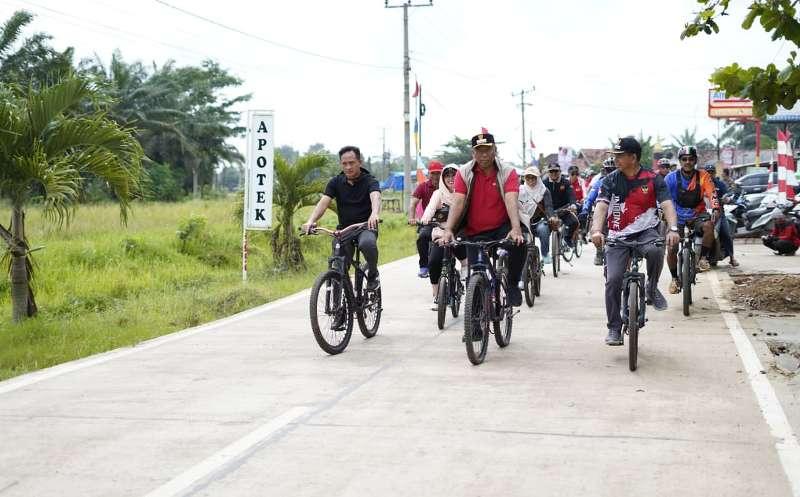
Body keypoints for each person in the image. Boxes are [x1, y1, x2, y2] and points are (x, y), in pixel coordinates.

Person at [591, 136, 680, 346]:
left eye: (620, 156)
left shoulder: (653, 178)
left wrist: (673, 228)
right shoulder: (610, 180)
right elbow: (601, 206)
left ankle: (651, 287)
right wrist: (596, 230)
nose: (617, 159)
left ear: (633, 157)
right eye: (615, 156)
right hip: (617, 236)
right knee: (613, 280)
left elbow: (667, 205)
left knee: (657, 249)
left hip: (645, 232)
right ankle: (614, 328)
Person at [438, 132, 526, 307]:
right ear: (473, 153)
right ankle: (475, 330)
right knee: (475, 278)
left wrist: (515, 228)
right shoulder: (463, 173)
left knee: (519, 244)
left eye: (487, 150)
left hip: (502, 227)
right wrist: (448, 229)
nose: (483, 154)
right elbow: (458, 201)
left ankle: (513, 285)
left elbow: (511, 199)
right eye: (479, 151)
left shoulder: (508, 172)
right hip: (474, 231)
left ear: (494, 150)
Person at [302, 145, 381, 291]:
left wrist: (374, 214)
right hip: (344, 230)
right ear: (341, 164)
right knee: (339, 266)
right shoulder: (336, 182)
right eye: (344, 164)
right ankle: (343, 305)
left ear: (359, 162)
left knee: (367, 244)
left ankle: (373, 274)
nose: (348, 167)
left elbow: (375, 197)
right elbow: (323, 203)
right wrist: (310, 220)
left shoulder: (370, 180)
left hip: (365, 227)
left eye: (352, 163)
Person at [664, 145, 721, 293]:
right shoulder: (670, 178)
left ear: (695, 160)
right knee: (671, 247)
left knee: (709, 226)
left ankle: (702, 259)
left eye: (691, 159)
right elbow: (662, 197)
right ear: (680, 161)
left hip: (698, 214)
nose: (687, 162)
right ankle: (675, 279)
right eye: (684, 159)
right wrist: (660, 210)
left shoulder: (703, 176)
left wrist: (715, 207)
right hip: (676, 216)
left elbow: (711, 192)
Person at [420, 164, 468, 309]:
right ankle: (436, 295)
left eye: (454, 175)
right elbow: (430, 209)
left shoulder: (464, 192)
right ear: (443, 178)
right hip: (441, 233)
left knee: (464, 253)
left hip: (459, 232)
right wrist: (425, 218)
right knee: (434, 261)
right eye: (447, 175)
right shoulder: (438, 194)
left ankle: (465, 269)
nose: (451, 178)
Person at [408, 160, 444, 278]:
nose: (436, 176)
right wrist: (412, 218)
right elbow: (413, 203)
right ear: (429, 174)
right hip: (429, 221)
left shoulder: (448, 185)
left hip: (447, 221)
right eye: (433, 173)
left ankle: (464, 267)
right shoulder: (423, 186)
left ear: (442, 174)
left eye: (438, 173)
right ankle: (424, 266)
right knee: (422, 237)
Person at [581, 157, 617, 265]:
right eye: (608, 170)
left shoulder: (624, 181)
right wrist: (585, 209)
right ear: (604, 170)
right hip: (603, 213)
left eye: (613, 169)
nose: (610, 172)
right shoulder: (599, 183)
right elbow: (590, 198)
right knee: (594, 229)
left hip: (619, 213)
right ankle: (599, 251)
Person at [704, 163, 739, 267]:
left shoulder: (720, 185)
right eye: (707, 172)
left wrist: (726, 199)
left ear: (715, 173)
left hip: (719, 213)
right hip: (704, 214)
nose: (710, 174)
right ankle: (697, 256)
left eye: (711, 172)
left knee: (726, 234)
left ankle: (732, 258)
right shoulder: (700, 184)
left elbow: (726, 196)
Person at [519, 166, 555, 264]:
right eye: (528, 177)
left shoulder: (544, 191)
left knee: (543, 230)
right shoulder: (519, 190)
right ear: (524, 178)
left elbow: (548, 206)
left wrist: (551, 216)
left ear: (538, 178)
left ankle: (545, 254)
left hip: (538, 221)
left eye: (533, 177)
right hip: (522, 222)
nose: (530, 180)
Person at [543, 162, 579, 247]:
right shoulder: (544, 183)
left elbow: (571, 195)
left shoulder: (566, 182)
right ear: (548, 172)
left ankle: (567, 238)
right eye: (551, 171)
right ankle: (546, 252)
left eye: (556, 171)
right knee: (543, 230)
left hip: (563, 210)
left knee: (575, 222)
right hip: (548, 211)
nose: (554, 173)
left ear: (560, 171)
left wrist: (573, 204)